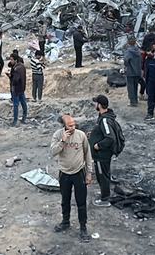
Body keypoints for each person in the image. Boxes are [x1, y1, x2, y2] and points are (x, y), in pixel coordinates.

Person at [50, 114, 92, 242]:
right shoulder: (57, 135)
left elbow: (87, 154)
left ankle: (83, 227)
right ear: (64, 126)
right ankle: (65, 222)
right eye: (70, 125)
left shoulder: (81, 135)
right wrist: (62, 141)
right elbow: (53, 152)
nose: (73, 127)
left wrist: (89, 173)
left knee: (81, 202)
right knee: (65, 200)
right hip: (64, 173)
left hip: (79, 172)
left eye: (74, 124)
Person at [88, 95, 117, 206]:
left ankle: (105, 199)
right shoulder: (103, 117)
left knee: (102, 175)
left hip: (102, 155)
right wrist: (94, 134)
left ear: (99, 105)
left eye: (96, 103)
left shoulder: (104, 120)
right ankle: (105, 193)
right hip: (102, 155)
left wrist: (98, 145)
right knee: (104, 174)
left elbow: (110, 138)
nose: (95, 105)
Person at [122, 38, 142, 107]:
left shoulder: (128, 51)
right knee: (135, 86)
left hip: (130, 72)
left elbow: (126, 60)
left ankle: (132, 102)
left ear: (128, 43)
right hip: (137, 71)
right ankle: (136, 100)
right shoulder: (138, 51)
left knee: (130, 87)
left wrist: (126, 66)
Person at [9, 57, 27, 125]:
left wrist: (11, 77)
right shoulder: (22, 67)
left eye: (11, 59)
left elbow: (15, 80)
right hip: (22, 88)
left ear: (15, 60)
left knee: (16, 105)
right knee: (23, 103)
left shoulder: (16, 68)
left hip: (16, 89)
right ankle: (24, 118)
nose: (10, 61)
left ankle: (15, 121)